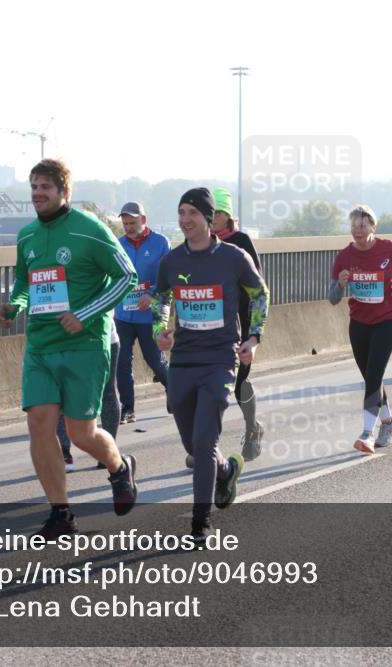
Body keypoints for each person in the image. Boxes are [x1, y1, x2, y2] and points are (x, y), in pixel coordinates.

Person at [0, 158, 139, 539]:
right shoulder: (27, 235)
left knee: (81, 434)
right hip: (40, 346)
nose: (37, 193)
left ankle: (119, 467)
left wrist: (85, 314)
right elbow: (24, 282)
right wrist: (15, 305)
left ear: (64, 192)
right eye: (34, 187)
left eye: (45, 187)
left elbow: (127, 276)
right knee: (39, 425)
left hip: (84, 345)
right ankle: (61, 513)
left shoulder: (89, 229)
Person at [151, 187, 270, 543]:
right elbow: (161, 299)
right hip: (183, 361)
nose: (185, 220)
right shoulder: (172, 261)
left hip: (220, 359)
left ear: (208, 218)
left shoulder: (233, 257)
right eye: (181, 212)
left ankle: (200, 523)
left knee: (204, 441)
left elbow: (260, 294)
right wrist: (160, 330)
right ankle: (227, 469)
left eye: (192, 213)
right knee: (194, 446)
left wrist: (253, 338)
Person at [329, 204, 392, 455]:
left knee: (374, 376)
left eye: (362, 225)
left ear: (373, 227)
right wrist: (340, 284)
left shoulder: (388, 248)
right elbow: (332, 298)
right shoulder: (344, 257)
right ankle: (388, 423)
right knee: (371, 378)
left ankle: (367, 433)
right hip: (359, 323)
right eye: (353, 226)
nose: (357, 230)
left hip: (388, 319)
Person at [204, 187, 265, 464]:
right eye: (211, 212)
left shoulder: (241, 241)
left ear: (228, 216)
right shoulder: (203, 242)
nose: (214, 217)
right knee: (207, 385)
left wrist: (254, 333)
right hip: (211, 324)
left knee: (239, 382)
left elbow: (258, 286)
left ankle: (253, 429)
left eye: (219, 213)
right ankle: (203, 448)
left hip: (242, 322)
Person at [112, 201, 171, 425]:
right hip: (123, 315)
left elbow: (168, 277)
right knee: (122, 360)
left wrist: (151, 294)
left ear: (143, 220)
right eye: (125, 224)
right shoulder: (118, 244)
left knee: (154, 359)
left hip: (150, 315)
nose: (128, 228)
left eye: (132, 223)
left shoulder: (161, 243)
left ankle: (173, 389)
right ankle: (127, 408)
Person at [58, 321, 120, 471]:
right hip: (62, 342)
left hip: (100, 339)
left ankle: (107, 451)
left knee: (107, 392)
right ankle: (64, 453)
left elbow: (108, 304)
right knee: (61, 393)